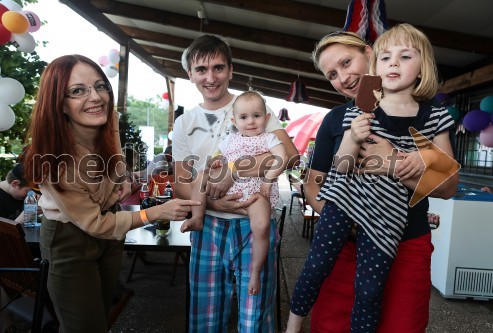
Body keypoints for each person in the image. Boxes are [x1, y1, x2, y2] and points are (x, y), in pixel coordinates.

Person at [286, 26, 459, 333]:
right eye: (332, 75)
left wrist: (393, 163)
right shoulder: (340, 117)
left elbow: (447, 186)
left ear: (368, 54)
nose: (343, 78)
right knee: (330, 323)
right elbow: (315, 184)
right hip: (345, 243)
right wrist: (343, 217)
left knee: (401, 324)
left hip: (405, 239)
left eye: (346, 63)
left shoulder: (430, 114)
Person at [22, 54, 200, 333]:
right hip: (70, 239)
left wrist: (128, 185)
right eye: (78, 90)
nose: (96, 97)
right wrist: (154, 213)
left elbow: (116, 175)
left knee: (100, 320)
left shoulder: (106, 125)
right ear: (59, 103)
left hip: (111, 231)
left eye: (100, 86)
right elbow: (93, 223)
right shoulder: (54, 159)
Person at [172, 34, 298, 332]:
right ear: (190, 74)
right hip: (209, 225)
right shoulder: (185, 122)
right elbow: (180, 183)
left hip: (252, 221)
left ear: (231, 70)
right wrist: (213, 201)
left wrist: (235, 169)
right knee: (205, 312)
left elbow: (290, 157)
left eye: (218, 68)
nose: (210, 77)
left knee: (254, 313)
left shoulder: (251, 108)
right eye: (201, 69)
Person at [181, 90, 288, 296]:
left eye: (256, 116)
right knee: (200, 175)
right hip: (228, 189)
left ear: (266, 118)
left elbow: (282, 158)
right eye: (244, 117)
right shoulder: (230, 138)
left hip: (256, 190)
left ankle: (255, 271)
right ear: (234, 120)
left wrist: (268, 179)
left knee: (262, 225)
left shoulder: (269, 139)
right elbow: (217, 157)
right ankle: (197, 217)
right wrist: (216, 162)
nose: (250, 122)